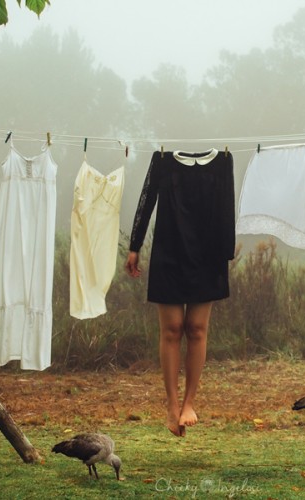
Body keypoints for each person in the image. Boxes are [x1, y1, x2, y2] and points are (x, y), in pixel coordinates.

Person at [125, 148, 235, 437]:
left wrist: (223, 257)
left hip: (208, 253)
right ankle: (172, 405)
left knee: (197, 329)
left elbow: (227, 206)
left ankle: (189, 403)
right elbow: (146, 200)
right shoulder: (162, 160)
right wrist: (134, 246)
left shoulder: (223, 161)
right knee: (172, 329)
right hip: (169, 251)